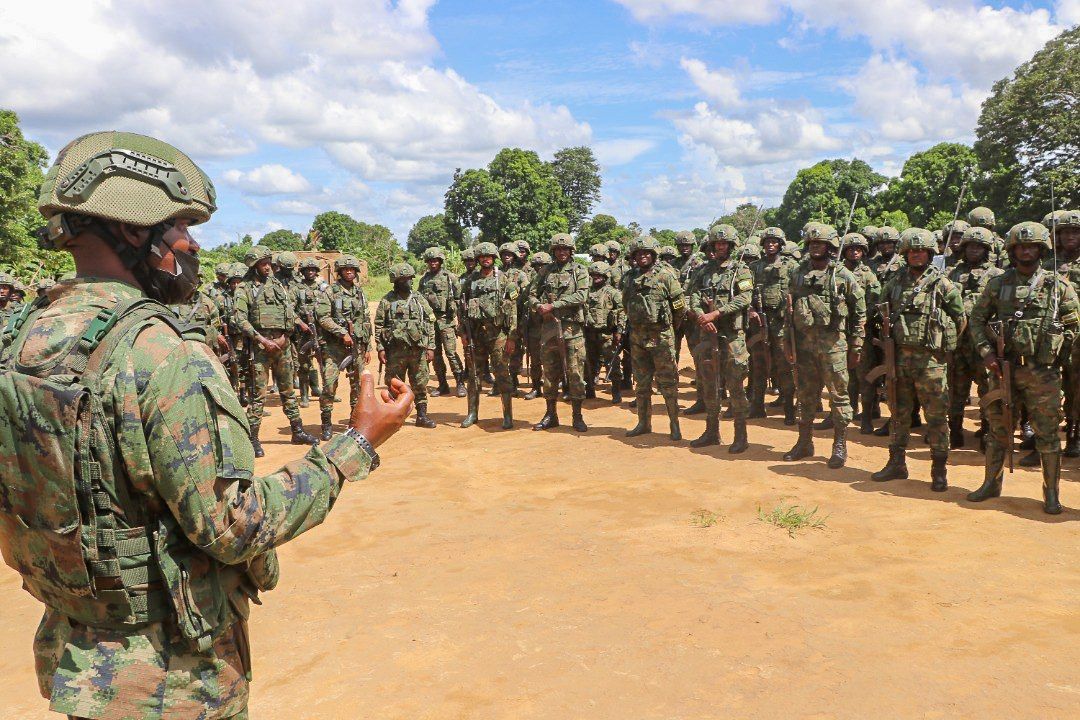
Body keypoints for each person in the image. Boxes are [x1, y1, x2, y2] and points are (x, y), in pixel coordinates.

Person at [0, 130, 413, 720]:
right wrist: (356, 442)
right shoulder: (159, 353)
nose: (193, 246)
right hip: (174, 676)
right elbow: (232, 526)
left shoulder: (18, 337)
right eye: (181, 230)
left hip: (82, 665)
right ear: (132, 230)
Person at [967, 221, 1080, 514]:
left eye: (1031, 246)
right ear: (1013, 250)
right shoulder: (998, 284)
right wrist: (987, 353)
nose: (1026, 250)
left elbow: (1074, 325)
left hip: (1042, 373)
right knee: (998, 429)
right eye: (1021, 246)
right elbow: (977, 320)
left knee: (1047, 434)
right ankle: (991, 482)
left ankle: (1051, 492)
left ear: (1041, 249)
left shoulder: (1058, 285)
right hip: (1004, 369)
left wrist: (1057, 352)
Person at [871, 228, 965, 491]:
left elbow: (961, 319)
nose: (916, 254)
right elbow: (880, 313)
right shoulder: (895, 282)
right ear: (904, 254)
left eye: (921, 250)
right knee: (899, 413)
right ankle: (897, 463)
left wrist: (944, 346)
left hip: (931, 362)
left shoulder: (941, 283)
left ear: (929, 253)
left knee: (936, 416)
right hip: (899, 359)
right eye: (912, 251)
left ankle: (939, 470)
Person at [781, 223, 866, 468]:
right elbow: (789, 310)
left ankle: (839, 445)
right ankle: (804, 442)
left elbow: (860, 312)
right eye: (812, 243)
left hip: (834, 347)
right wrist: (787, 341)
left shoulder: (842, 275)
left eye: (821, 243)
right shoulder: (797, 273)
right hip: (804, 346)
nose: (816, 246)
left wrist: (856, 345)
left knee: (839, 398)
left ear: (830, 247)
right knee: (805, 396)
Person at [234, 246, 319, 456]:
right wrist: (262, 339)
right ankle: (253, 439)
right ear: (254, 265)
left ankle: (297, 431)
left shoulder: (278, 286)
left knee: (289, 391)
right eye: (263, 264)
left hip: (283, 346)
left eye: (269, 263)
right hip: (260, 348)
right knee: (258, 396)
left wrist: (285, 337)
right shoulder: (244, 288)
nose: (268, 267)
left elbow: (290, 312)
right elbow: (239, 319)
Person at [686, 224, 753, 450]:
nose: (721, 247)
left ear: (731, 245)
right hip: (708, 335)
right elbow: (692, 297)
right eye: (717, 243)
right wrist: (701, 316)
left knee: (735, 383)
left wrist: (716, 313)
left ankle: (740, 435)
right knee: (709, 383)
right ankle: (712, 432)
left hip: (732, 335)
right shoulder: (702, 271)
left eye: (724, 243)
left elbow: (745, 298)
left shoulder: (741, 270)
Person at [623, 237, 687, 440]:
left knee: (668, 382)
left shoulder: (666, 275)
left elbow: (679, 306)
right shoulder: (628, 278)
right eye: (638, 253)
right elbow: (625, 303)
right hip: (638, 336)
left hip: (661, 335)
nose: (642, 256)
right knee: (641, 383)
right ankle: (643, 422)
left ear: (653, 254)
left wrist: (671, 329)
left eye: (646, 253)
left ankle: (674, 425)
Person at [947, 227, 1003, 448]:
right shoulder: (951, 273)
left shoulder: (997, 276)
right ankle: (955, 430)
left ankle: (987, 431)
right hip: (958, 342)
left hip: (985, 343)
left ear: (987, 249)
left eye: (979, 246)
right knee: (955, 388)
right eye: (970, 246)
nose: (974, 250)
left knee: (987, 389)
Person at [530, 233, 589, 432]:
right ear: (553, 251)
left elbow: (581, 295)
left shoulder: (579, 270)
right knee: (550, 373)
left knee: (575, 373)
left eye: (565, 249)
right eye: (558, 249)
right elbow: (531, 294)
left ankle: (577, 415)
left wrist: (553, 305)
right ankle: (551, 414)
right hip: (549, 329)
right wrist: (538, 306)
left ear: (571, 251)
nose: (562, 252)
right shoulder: (545, 271)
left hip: (572, 329)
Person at [459, 242, 521, 429]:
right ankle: (472, 413)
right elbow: (461, 308)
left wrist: (511, 337)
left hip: (498, 335)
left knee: (502, 373)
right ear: (477, 260)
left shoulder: (504, 280)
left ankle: (507, 415)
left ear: (494, 258)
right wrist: (463, 332)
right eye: (481, 257)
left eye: (488, 256)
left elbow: (512, 311)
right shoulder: (470, 281)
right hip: (476, 335)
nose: (485, 259)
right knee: (474, 374)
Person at [316, 255, 372, 440]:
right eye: (345, 270)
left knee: (357, 386)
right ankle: (326, 423)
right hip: (334, 348)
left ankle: (353, 422)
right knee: (330, 385)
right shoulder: (329, 292)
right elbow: (323, 317)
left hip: (357, 347)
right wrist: (342, 333)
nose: (349, 272)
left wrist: (368, 346)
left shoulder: (360, 293)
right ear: (339, 272)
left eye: (352, 269)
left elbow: (365, 320)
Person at [375, 263, 437, 428]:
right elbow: (379, 325)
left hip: (417, 351)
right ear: (397, 281)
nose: (410, 282)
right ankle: (395, 418)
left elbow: (430, 323)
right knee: (395, 385)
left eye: (410, 278)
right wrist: (380, 348)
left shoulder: (418, 299)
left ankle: (422, 416)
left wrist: (431, 347)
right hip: (395, 351)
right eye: (405, 279)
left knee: (420, 383)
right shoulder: (387, 301)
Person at [748, 227, 798, 423]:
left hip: (782, 323)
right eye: (767, 241)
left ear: (780, 244)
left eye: (774, 241)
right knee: (758, 365)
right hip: (759, 322)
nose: (770, 244)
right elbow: (744, 292)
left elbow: (799, 291)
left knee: (784, 366)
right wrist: (751, 310)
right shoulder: (754, 267)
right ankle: (757, 406)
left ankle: (789, 409)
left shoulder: (792, 266)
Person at [839, 233, 882, 434]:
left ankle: (866, 418)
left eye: (858, 249)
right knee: (843, 376)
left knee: (864, 376)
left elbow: (876, 300)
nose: (854, 252)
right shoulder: (836, 273)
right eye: (850, 249)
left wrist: (863, 317)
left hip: (861, 331)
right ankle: (843, 414)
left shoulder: (868, 274)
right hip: (839, 331)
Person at [418, 246, 466, 397]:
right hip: (430, 324)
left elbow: (459, 299)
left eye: (436, 260)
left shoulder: (449, 277)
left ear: (440, 261)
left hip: (447, 321)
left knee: (451, 353)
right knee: (436, 355)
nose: (433, 263)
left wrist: (460, 320)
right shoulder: (424, 280)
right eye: (430, 261)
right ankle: (442, 384)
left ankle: (460, 383)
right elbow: (419, 300)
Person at [584, 261, 624, 403]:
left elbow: (621, 312)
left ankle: (616, 391)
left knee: (612, 363)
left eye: (599, 275)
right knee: (588, 363)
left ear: (606, 275)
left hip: (608, 334)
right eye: (593, 275)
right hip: (589, 333)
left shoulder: (613, 293)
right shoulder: (586, 291)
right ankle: (589, 390)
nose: (596, 277)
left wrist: (619, 331)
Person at [295, 256, 329, 407]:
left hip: (322, 330)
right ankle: (304, 395)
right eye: (307, 269)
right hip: (303, 333)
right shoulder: (296, 289)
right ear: (302, 271)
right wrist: (300, 323)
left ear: (316, 271)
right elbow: (289, 310)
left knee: (325, 362)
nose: (310, 272)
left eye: (313, 269)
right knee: (304, 364)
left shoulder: (324, 288)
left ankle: (327, 392)